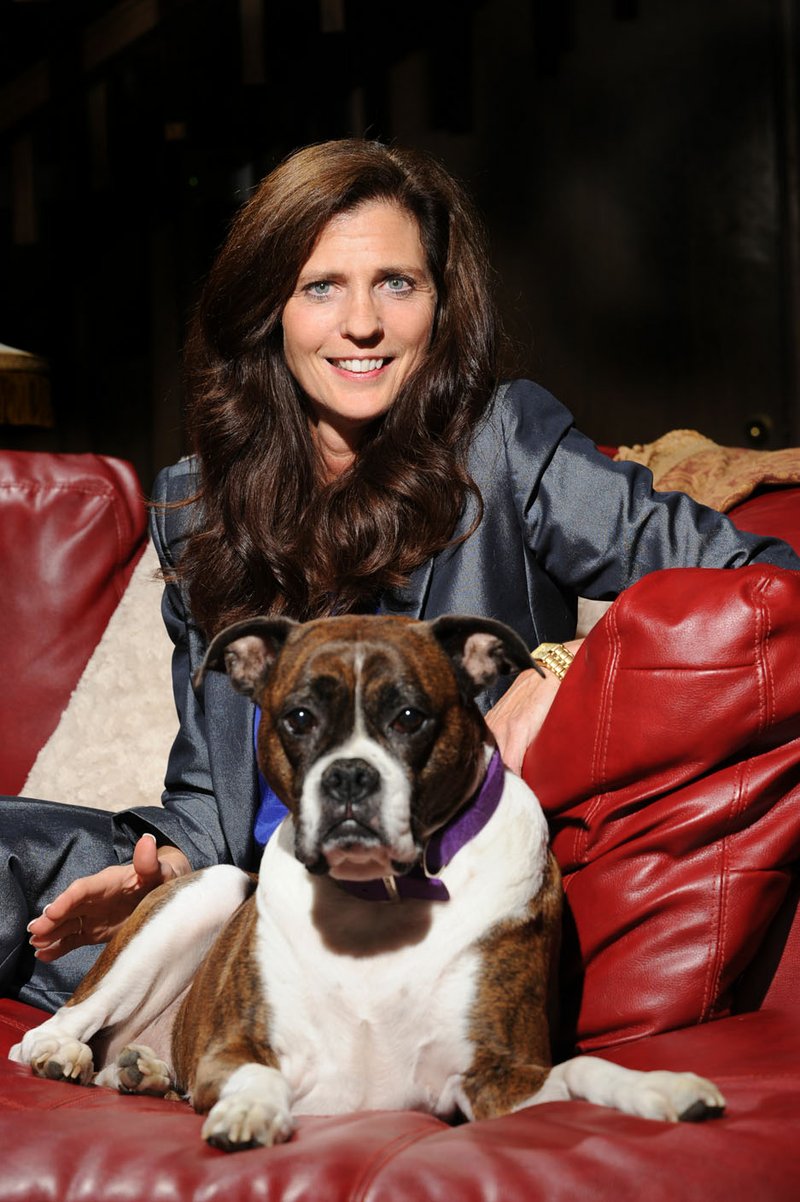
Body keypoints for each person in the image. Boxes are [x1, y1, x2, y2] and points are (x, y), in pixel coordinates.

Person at [5, 139, 799, 1013]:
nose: (361, 324)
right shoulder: (199, 502)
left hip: (428, 907)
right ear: (268, 308)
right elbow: (208, 801)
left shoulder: (504, 444)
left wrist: (559, 668)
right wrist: (159, 874)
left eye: (397, 283)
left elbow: (760, 577)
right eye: (320, 287)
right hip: (249, 912)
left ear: (441, 303)